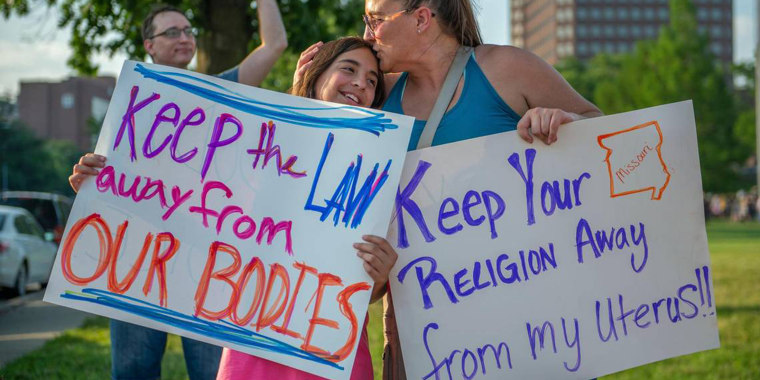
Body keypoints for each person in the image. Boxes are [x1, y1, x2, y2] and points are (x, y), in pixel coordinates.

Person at [294, 1, 603, 378]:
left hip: (525, 324)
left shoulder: (505, 69)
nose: (367, 35)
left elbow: (600, 131)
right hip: (422, 336)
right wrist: (305, 96)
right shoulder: (376, 93)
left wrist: (564, 121)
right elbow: (320, 185)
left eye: (374, 20)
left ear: (421, 18)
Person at [70, 37, 394, 380]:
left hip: (330, 351)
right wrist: (105, 191)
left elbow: (366, 293)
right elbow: (186, 215)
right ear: (315, 75)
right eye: (349, 68)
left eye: (372, 80)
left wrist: (380, 276)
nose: (361, 82)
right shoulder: (257, 148)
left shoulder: (375, 173)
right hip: (253, 347)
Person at [70, 3, 287, 380]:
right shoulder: (128, 106)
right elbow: (105, 182)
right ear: (148, 45)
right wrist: (85, 180)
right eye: (172, 32)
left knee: (210, 372)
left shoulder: (219, 91)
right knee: (134, 370)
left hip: (204, 261)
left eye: (189, 30)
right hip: (135, 258)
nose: (185, 37)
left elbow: (274, 45)